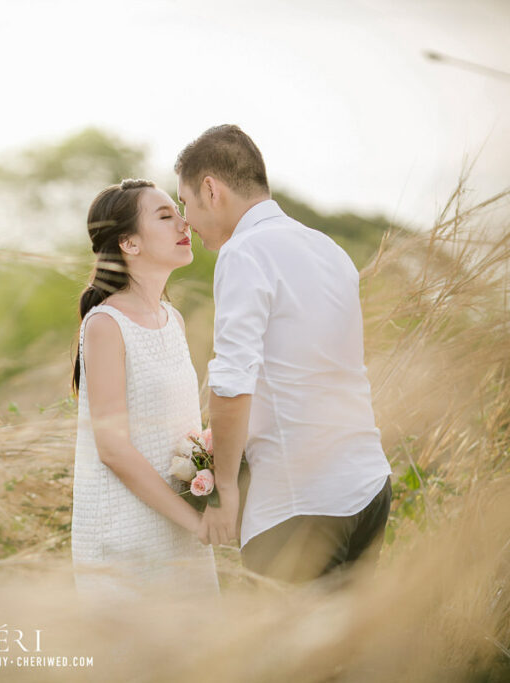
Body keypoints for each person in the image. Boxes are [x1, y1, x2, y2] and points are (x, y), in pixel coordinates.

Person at [174, 124, 392, 583]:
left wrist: (225, 490)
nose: (185, 220)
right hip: (367, 485)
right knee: (349, 648)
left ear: (211, 190)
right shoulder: (329, 250)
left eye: (185, 202)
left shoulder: (245, 252)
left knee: (292, 653)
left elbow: (232, 381)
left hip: (301, 504)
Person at [71, 178, 219, 600]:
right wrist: (193, 523)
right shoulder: (105, 325)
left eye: (179, 212)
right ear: (129, 244)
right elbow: (113, 449)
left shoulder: (173, 320)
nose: (183, 222)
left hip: (180, 527)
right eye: (164, 216)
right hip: (125, 533)